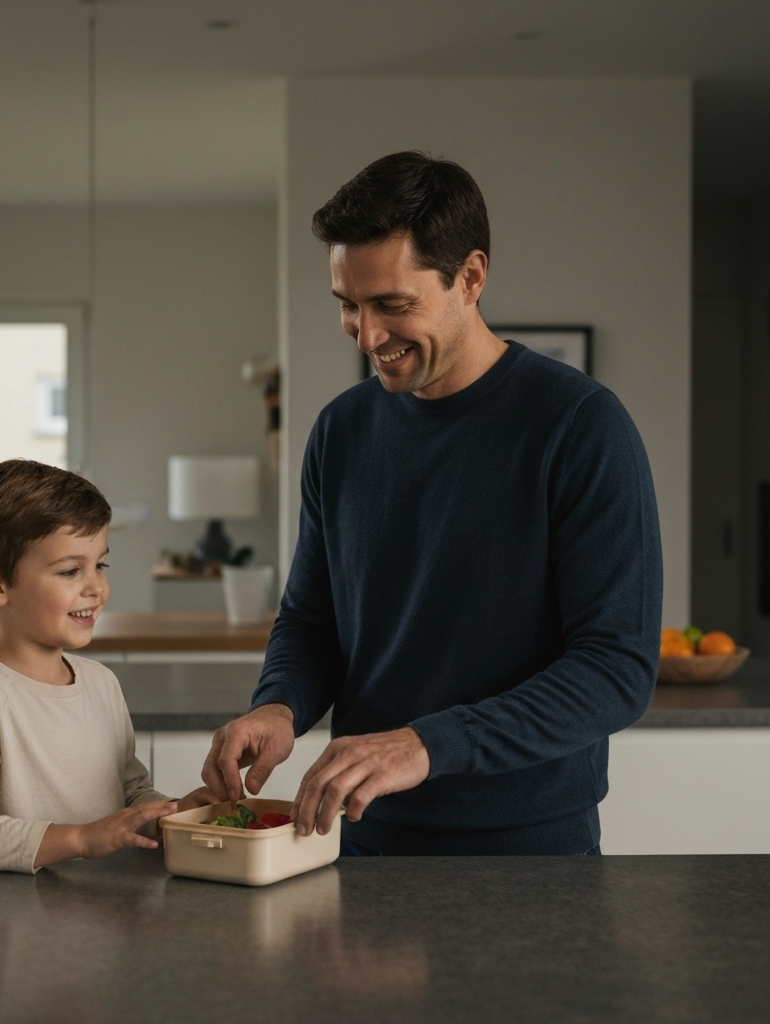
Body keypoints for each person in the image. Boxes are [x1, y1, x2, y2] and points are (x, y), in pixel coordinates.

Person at [203, 151, 662, 856]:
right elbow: (312, 618)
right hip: (358, 836)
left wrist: (428, 744)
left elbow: (615, 669)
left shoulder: (580, 426)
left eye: (391, 304)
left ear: (470, 277)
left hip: (529, 851)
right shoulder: (341, 431)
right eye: (348, 306)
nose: (367, 335)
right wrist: (280, 702)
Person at [0, 459, 215, 872]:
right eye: (69, 571)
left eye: (100, 565)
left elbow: (131, 791)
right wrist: (80, 838)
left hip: (110, 912)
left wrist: (173, 814)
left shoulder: (101, 683)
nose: (96, 587)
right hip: (24, 920)